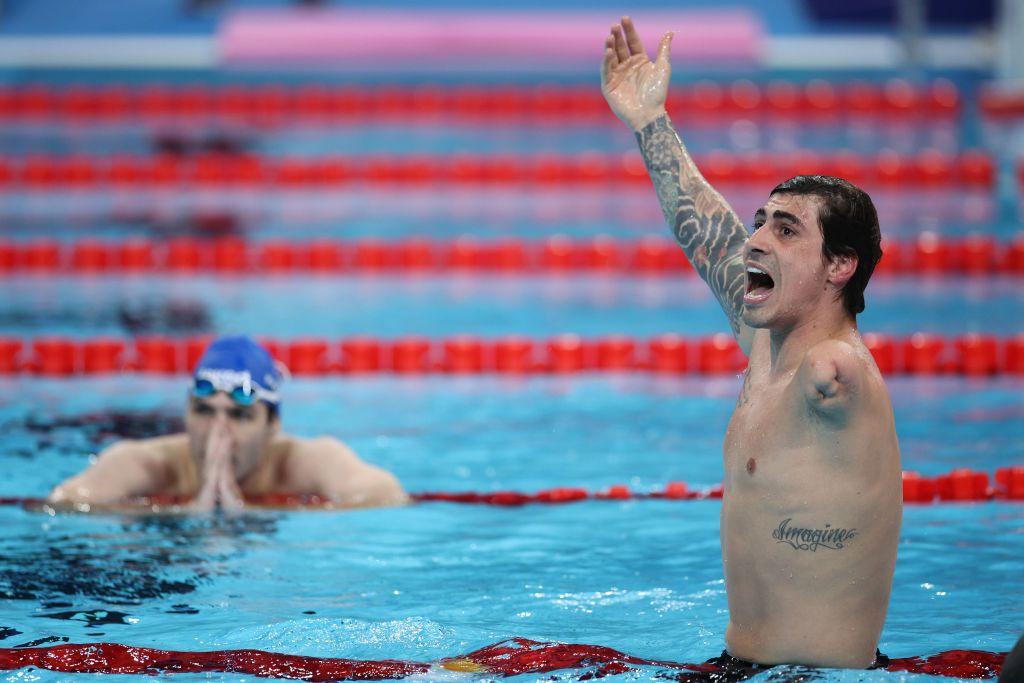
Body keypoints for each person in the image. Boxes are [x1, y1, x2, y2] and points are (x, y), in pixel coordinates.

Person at [601, 17, 902, 670]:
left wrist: (839, 382)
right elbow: (703, 231)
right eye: (762, 221)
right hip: (744, 666)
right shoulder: (769, 342)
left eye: (786, 231)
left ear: (840, 265)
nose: (756, 238)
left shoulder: (834, 372)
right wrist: (651, 122)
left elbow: (840, 375)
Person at [49, 335, 407, 512]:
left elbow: (388, 495)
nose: (218, 430)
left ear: (273, 425)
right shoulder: (148, 463)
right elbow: (61, 503)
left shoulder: (306, 461)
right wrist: (184, 515)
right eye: (204, 411)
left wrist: (254, 515)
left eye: (239, 415)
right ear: (186, 414)